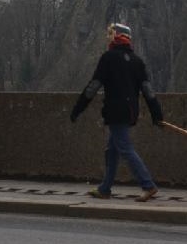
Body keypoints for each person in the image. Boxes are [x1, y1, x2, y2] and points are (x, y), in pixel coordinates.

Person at [70, 23, 164, 202]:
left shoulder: (108, 58)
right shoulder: (137, 61)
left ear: (117, 37)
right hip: (130, 112)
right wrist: (157, 114)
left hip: (115, 111)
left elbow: (93, 87)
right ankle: (105, 189)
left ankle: (148, 185)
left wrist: (78, 109)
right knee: (112, 150)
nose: (108, 37)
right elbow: (148, 91)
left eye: (111, 34)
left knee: (126, 149)